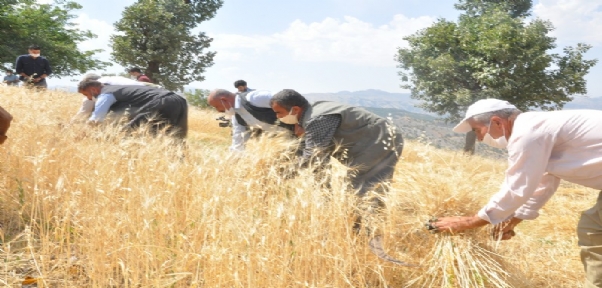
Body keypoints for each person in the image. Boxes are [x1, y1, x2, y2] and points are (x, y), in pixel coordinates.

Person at [427, 99, 602, 287]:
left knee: (594, 230)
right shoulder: (537, 127)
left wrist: (470, 222)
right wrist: (513, 220)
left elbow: (517, 187)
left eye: (477, 130)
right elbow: (542, 181)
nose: (478, 138)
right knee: (592, 228)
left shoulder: (526, 133)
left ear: (496, 122)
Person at [270, 89, 404, 198]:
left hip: (380, 140)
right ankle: (360, 226)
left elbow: (313, 155)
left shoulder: (317, 119)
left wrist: (284, 174)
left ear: (295, 109)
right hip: (372, 141)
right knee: (357, 189)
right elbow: (317, 158)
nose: (277, 117)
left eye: (278, 112)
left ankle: (370, 228)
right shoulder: (311, 114)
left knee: (363, 189)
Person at [77, 79, 188, 139]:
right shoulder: (116, 88)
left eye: (86, 94)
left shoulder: (105, 94)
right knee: (175, 137)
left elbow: (96, 120)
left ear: (93, 89)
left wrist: (81, 134)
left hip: (161, 100)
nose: (88, 98)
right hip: (178, 100)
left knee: (127, 133)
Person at [207, 89, 294, 151]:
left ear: (224, 100)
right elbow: (238, 141)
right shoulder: (237, 117)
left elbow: (291, 100)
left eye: (217, 107)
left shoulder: (255, 98)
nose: (218, 111)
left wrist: (299, 125)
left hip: (302, 130)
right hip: (285, 140)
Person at [72, 73, 157, 122]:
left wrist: (73, 123)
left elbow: (85, 110)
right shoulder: (110, 80)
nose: (88, 97)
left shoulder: (98, 86)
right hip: (150, 96)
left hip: (141, 100)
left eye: (86, 94)